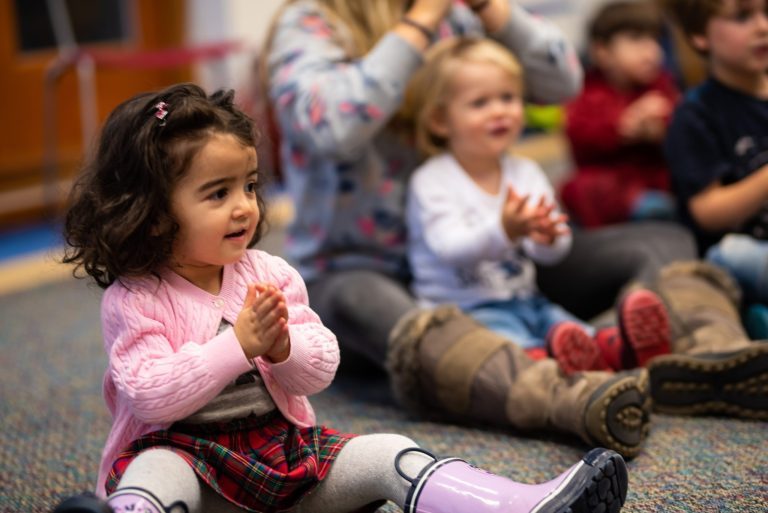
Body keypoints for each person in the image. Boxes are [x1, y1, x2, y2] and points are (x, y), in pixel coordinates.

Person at [50, 83, 630, 513]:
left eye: (249, 186)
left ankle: (513, 506)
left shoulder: (269, 272)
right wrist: (238, 346)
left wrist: (281, 350)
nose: (244, 206)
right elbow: (151, 397)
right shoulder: (137, 297)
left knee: (389, 453)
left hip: (279, 464)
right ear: (151, 214)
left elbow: (321, 367)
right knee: (157, 471)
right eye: (217, 193)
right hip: (192, 474)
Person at [263, 0, 656, 459]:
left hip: (485, 264)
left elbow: (563, 82)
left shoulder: (464, 16)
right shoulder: (311, 22)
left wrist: (488, 7)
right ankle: (563, 393)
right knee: (417, 328)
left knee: (658, 243)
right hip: (356, 269)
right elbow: (333, 127)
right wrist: (422, 19)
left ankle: (683, 354)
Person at [403, 36, 671, 374]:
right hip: (463, 313)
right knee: (507, 346)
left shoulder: (525, 172)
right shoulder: (433, 179)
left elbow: (553, 251)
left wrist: (547, 238)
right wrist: (504, 230)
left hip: (526, 299)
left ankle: (617, 349)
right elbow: (448, 248)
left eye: (508, 97)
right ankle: (546, 367)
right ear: (441, 120)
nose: (500, 110)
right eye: (480, 103)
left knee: (563, 326)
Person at [662, 0, 768, 339]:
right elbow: (708, 212)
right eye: (742, 17)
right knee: (730, 254)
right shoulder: (696, 114)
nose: (762, 27)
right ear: (699, 35)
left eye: (767, 12)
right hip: (743, 252)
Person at [561, 0, 679, 228]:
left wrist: (662, 128)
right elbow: (578, 134)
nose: (651, 51)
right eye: (636, 40)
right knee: (580, 188)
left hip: (655, 183)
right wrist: (623, 126)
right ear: (602, 52)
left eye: (654, 39)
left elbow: (684, 127)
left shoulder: (662, 86)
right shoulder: (587, 92)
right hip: (609, 193)